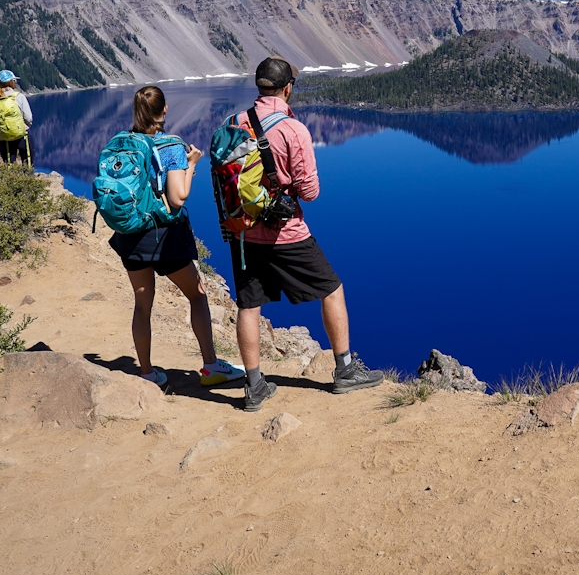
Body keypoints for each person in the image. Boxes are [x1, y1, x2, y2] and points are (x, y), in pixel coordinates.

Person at [231, 56, 383, 410]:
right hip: (285, 233)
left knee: (249, 306)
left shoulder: (233, 123)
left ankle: (255, 387)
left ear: (259, 86)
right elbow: (310, 192)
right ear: (287, 89)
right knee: (331, 289)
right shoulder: (292, 129)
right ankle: (345, 371)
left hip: (243, 232)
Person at [109, 85, 246, 390]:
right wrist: (193, 162)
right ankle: (211, 366)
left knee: (142, 305)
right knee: (197, 295)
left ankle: (146, 374)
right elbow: (178, 197)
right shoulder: (171, 145)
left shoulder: (123, 142)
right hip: (164, 236)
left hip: (130, 232)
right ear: (165, 110)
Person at [0, 70, 33, 165]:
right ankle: (28, 179)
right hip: (22, 136)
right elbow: (28, 118)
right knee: (27, 162)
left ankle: (11, 179)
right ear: (11, 82)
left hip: (5, 138)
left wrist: (1, 130)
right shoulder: (18, 96)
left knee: (9, 165)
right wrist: (24, 126)